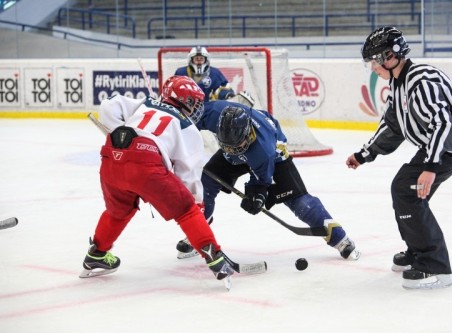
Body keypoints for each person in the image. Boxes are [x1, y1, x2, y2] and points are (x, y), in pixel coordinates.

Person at [346, 27, 452, 289]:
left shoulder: (420, 80)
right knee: (410, 191)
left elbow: (443, 124)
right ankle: (418, 251)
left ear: (390, 56)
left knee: (407, 189)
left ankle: (435, 267)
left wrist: (430, 167)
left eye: (374, 61)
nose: (373, 67)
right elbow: (392, 126)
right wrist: (365, 154)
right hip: (438, 143)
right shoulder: (398, 83)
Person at [79, 75, 234, 288]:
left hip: (112, 156)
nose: (198, 107)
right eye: (195, 102)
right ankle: (216, 259)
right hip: (146, 166)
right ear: (187, 101)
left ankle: (96, 254)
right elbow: (188, 175)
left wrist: (121, 132)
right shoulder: (188, 127)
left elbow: (108, 106)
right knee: (187, 210)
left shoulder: (146, 103)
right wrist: (197, 205)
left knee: (118, 211)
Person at [176, 100, 361, 261]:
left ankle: (340, 239)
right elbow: (186, 122)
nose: (234, 150)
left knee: (299, 201)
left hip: (274, 157)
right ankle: (199, 232)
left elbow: (261, 181)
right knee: (204, 184)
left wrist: (256, 196)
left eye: (237, 146)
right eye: (227, 145)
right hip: (237, 150)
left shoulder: (263, 152)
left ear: (248, 135)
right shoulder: (216, 113)